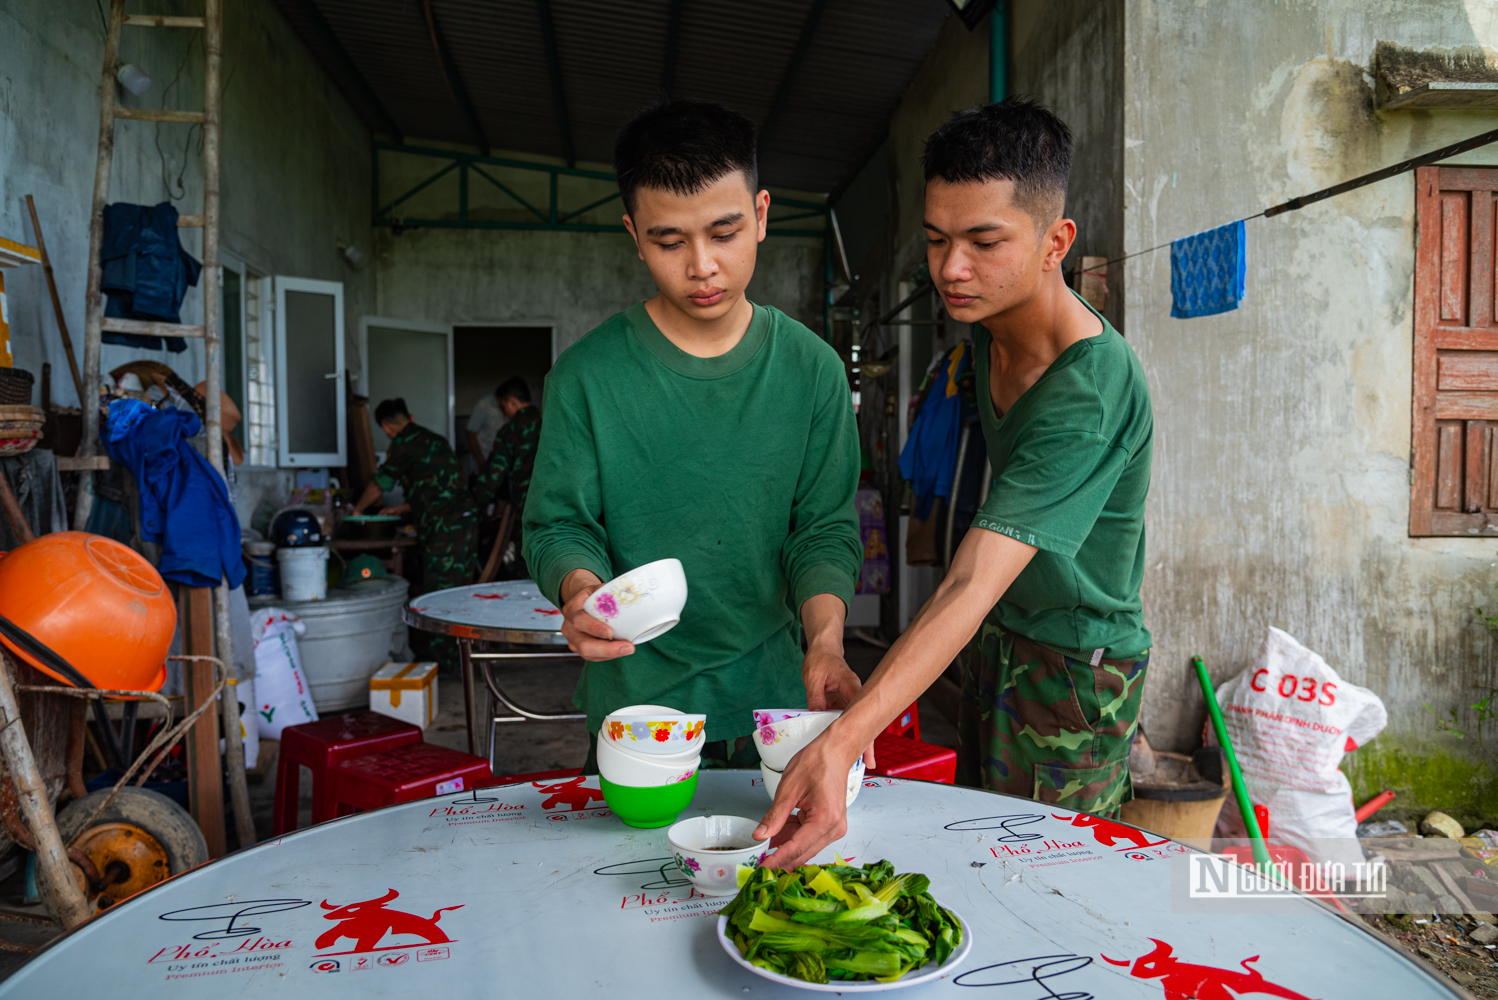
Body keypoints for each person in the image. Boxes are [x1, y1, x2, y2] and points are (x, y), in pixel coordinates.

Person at [757, 98, 1154, 867]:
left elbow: (970, 580)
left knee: (1047, 877)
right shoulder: (984, 338)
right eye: (938, 241)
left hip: (1074, 668)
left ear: (1055, 242)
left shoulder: (1090, 388)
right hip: (1000, 644)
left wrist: (847, 739)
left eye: (984, 240)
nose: (950, 268)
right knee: (978, 856)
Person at [522, 98, 863, 771]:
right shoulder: (587, 376)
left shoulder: (811, 370)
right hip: (635, 706)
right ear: (634, 233)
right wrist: (580, 591)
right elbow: (559, 524)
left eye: (725, 232)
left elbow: (822, 529)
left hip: (774, 700)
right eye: (669, 241)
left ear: (762, 215)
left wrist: (825, 643)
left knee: (773, 874)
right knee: (624, 876)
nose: (702, 265)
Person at [353, 398, 477, 671]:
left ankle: (446, 664)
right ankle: (463, 659)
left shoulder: (403, 443)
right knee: (459, 591)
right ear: (409, 415)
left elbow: (379, 485)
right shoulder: (435, 440)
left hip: (445, 530)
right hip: (463, 523)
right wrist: (403, 506)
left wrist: (357, 511)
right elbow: (442, 487)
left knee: (439, 595)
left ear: (386, 428)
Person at [472, 376, 541, 515]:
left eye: (503, 408)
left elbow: (492, 478)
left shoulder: (510, 430)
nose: (504, 414)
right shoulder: (548, 422)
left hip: (525, 509)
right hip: (554, 508)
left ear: (512, 403)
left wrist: (472, 509)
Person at [465, 385, 506, 466]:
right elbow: (470, 434)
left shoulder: (506, 410)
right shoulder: (483, 405)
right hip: (485, 459)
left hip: (500, 462)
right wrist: (481, 462)